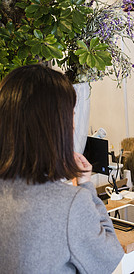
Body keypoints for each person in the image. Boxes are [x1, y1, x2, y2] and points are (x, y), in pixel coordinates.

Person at [0, 64, 124, 273]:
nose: (74, 124)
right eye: (71, 114)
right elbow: (108, 258)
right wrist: (85, 187)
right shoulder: (70, 204)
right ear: (56, 126)